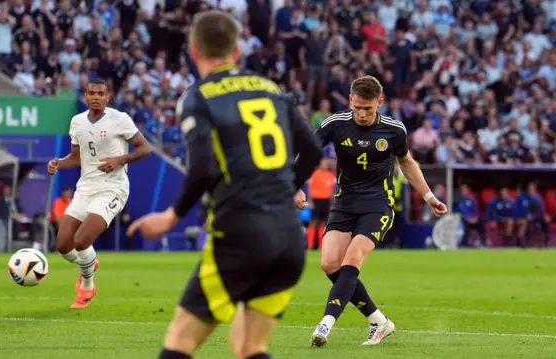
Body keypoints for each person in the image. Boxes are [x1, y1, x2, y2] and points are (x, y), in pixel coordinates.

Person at [128, 10, 323, 359]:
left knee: (180, 342)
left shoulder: (198, 96)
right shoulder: (271, 89)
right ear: (237, 51)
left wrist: (171, 217)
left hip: (240, 235)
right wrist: (282, 188)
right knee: (249, 347)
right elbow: (311, 149)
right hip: (288, 237)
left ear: (192, 50)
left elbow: (202, 168)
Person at [293, 75, 447, 347]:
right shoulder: (335, 124)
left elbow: (408, 163)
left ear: (380, 102)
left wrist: (428, 196)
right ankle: (378, 320)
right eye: (358, 108)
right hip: (344, 203)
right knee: (330, 264)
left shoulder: (394, 130)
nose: (363, 115)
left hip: (378, 204)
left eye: (369, 108)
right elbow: (308, 154)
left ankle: (325, 325)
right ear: (351, 100)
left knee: (352, 260)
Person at [47, 78, 151, 309]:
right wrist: (58, 163)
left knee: (82, 240)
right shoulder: (77, 122)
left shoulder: (119, 119)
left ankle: (87, 285)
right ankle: (90, 263)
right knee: (63, 245)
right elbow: (76, 156)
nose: (95, 97)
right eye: (91, 93)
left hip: (113, 187)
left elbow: (145, 148)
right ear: (85, 96)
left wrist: (119, 160)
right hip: (86, 187)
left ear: (107, 97)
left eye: (100, 93)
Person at [306, 158, 336, 249]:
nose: (325, 165)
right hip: (316, 200)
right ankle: (310, 244)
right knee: (314, 222)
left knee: (324, 222)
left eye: (326, 164)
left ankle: (321, 245)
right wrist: (310, 201)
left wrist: (332, 202)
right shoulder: (315, 174)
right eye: (323, 163)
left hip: (326, 201)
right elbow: (310, 188)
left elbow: (331, 191)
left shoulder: (330, 176)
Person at [515, 182, 550, 247]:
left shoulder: (537, 198)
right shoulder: (521, 197)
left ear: (534, 189)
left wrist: (545, 216)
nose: (531, 190)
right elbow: (517, 209)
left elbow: (540, 210)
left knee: (545, 221)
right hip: (523, 217)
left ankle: (546, 242)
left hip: (534, 218)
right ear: (527, 189)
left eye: (532, 188)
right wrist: (525, 215)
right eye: (529, 188)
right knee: (524, 222)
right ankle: (519, 243)